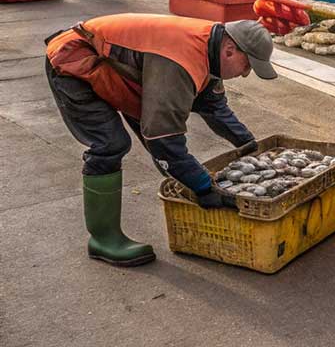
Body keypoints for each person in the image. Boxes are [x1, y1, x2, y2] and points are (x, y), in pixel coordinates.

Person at [44, 15, 275, 267]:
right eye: (247, 65)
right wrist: (204, 188)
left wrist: (248, 146)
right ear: (230, 51)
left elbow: (214, 108)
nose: (245, 74)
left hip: (118, 70)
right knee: (110, 144)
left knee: (160, 141)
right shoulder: (179, 60)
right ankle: (103, 238)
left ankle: (184, 183)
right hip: (74, 60)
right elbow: (164, 141)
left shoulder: (209, 48)